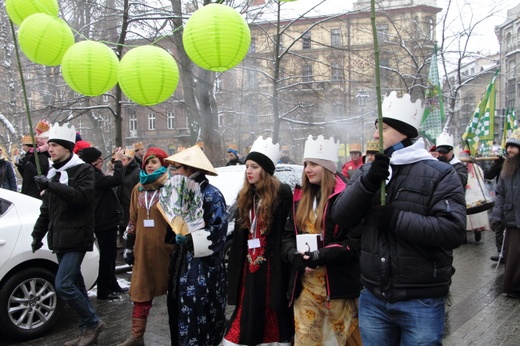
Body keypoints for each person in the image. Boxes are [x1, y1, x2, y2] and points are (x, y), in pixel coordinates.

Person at [331, 91, 466, 345]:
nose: (374, 135)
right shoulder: (369, 171)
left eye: (382, 128)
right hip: (373, 296)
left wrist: (395, 219)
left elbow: (452, 231)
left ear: (403, 132)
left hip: (421, 299)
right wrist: (368, 182)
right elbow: (340, 216)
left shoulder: (440, 174)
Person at [31, 123, 105, 346]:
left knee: (63, 284)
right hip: (59, 236)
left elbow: (80, 197)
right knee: (77, 285)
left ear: (66, 147)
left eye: (54, 145)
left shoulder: (84, 170)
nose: (49, 149)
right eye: (49, 145)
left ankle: (93, 322)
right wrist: (37, 234)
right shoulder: (54, 172)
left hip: (76, 236)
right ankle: (86, 333)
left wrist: (50, 186)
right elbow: (47, 209)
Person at [283, 135, 361, 345]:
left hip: (336, 286)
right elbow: (288, 236)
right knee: (306, 337)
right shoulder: (299, 197)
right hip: (306, 285)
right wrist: (294, 257)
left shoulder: (345, 197)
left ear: (327, 168)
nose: (308, 169)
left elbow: (353, 242)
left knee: (341, 339)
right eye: (306, 164)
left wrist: (320, 256)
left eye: (314, 164)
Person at [224, 136, 294, 345]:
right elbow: (240, 235)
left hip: (272, 265)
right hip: (249, 263)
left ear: (265, 169)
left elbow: (285, 232)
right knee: (247, 308)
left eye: (254, 166)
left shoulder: (282, 194)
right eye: (247, 166)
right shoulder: (246, 195)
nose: (249, 171)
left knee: (270, 308)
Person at [164, 144, 228, 346]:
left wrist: (191, 238)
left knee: (201, 311)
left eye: (178, 168)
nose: (174, 172)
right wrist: (174, 233)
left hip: (203, 268)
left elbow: (218, 231)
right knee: (177, 308)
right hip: (181, 264)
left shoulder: (212, 195)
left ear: (190, 170)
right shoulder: (180, 195)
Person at [117, 147, 174, 345]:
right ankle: (136, 336)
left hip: (167, 251)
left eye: (154, 162)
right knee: (141, 291)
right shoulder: (138, 188)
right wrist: (128, 245)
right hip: (142, 250)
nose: (149, 166)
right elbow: (132, 220)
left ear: (163, 164)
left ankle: (179, 333)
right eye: (147, 162)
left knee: (175, 294)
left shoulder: (171, 187)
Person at [79, 146, 128, 300]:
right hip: (103, 220)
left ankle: (112, 284)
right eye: (99, 160)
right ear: (92, 162)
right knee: (106, 256)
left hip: (107, 219)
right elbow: (117, 180)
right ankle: (103, 290)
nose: (101, 162)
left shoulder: (94, 172)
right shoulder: (92, 175)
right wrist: (119, 162)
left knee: (111, 254)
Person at [489, 128, 520, 298]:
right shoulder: (505, 170)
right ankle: (514, 288)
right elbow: (500, 195)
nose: (509, 150)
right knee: (513, 256)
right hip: (512, 220)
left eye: (513, 147)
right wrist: (496, 217)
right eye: (508, 147)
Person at [116, 148, 141, 242]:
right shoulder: (121, 171)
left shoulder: (137, 172)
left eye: (123, 159)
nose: (121, 162)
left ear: (130, 160)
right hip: (122, 204)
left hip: (130, 203)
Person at [485, 155, 505, 262]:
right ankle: (501, 252)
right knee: (499, 227)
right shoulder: (504, 162)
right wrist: (496, 164)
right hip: (503, 199)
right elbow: (488, 174)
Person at [16, 134, 50, 199]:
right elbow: (27, 176)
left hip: (36, 192)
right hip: (27, 190)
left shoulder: (41, 157)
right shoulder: (28, 156)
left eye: (24, 145)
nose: (23, 148)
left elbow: (38, 174)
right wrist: (21, 168)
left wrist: (28, 164)